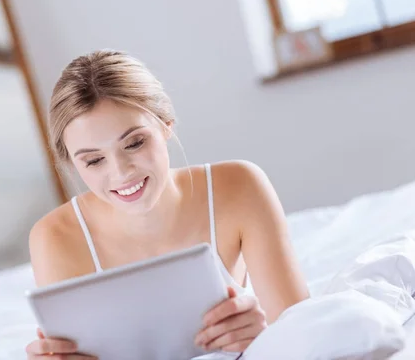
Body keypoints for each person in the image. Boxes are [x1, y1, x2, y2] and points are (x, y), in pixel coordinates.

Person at [25, 50, 310, 359]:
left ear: (165, 125)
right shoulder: (55, 237)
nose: (120, 173)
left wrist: (263, 332)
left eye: (134, 143)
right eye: (94, 160)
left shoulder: (241, 186)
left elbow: (302, 330)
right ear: (73, 164)